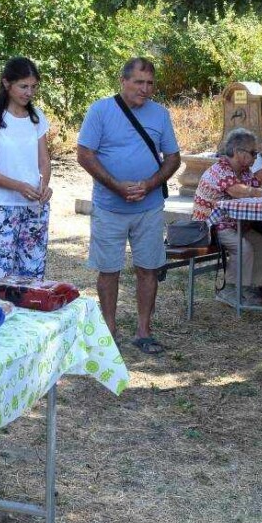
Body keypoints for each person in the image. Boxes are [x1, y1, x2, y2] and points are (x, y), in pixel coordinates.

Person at [78, 57, 180, 354]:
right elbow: (85, 155)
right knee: (109, 270)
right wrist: (115, 185)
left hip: (149, 207)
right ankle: (108, 331)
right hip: (109, 206)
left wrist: (149, 184)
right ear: (122, 81)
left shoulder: (161, 114)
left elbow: (173, 158)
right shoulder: (100, 111)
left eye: (150, 83)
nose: (145, 89)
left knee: (148, 268)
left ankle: (143, 331)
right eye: (138, 82)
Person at [0, 57, 52, 282]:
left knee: (32, 276)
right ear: (7, 84)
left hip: (34, 208)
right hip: (1, 207)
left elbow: (44, 161)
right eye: (23, 86)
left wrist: (44, 185)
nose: (29, 92)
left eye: (33, 87)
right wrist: (18, 186)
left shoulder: (37, 119)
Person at [191, 128, 262, 306]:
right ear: (237, 152)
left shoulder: (244, 172)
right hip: (211, 228)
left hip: (236, 226)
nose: (255, 157)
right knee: (244, 248)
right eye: (252, 153)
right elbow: (240, 191)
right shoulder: (220, 170)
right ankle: (229, 289)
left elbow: (259, 184)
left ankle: (250, 289)